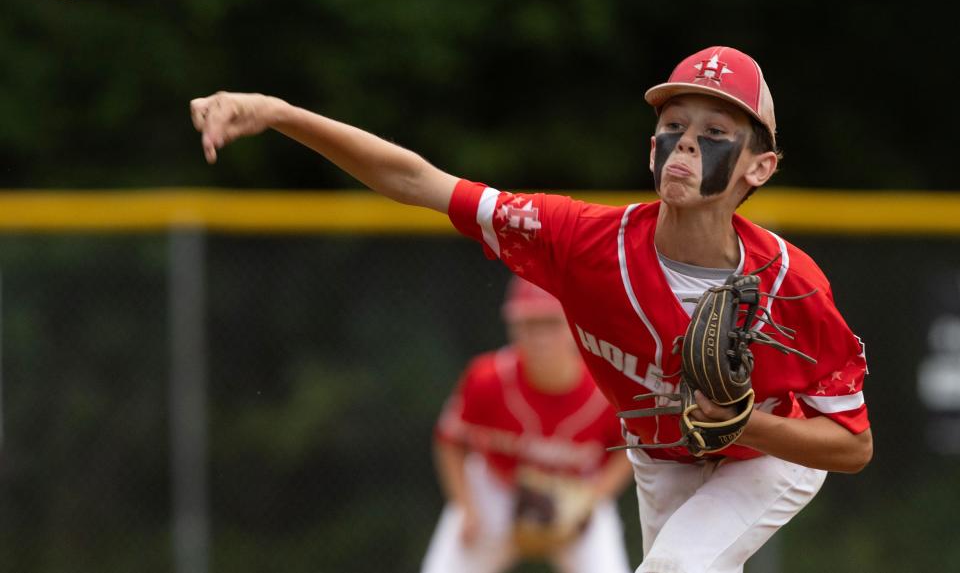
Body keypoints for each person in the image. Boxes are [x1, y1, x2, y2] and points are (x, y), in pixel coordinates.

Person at [191, 45, 873, 573]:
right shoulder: (580, 240)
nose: (687, 141)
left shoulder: (790, 283)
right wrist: (279, 113)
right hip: (662, 454)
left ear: (761, 167)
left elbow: (852, 446)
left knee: (673, 567)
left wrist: (742, 423)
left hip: (766, 453)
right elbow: (417, 180)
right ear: (652, 146)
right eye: (672, 124)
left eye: (717, 130)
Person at [422, 275, 634, 573]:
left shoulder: (605, 387)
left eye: (551, 323)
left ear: (574, 325)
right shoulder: (487, 378)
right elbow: (450, 440)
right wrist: (465, 507)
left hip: (574, 493)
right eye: (530, 324)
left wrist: (594, 498)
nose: (541, 337)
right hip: (496, 491)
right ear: (513, 328)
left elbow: (630, 449)